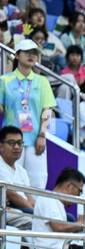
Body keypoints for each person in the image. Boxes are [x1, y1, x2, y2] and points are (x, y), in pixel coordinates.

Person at [2, 38, 56, 191]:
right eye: (27, 52)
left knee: (36, 183)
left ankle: (33, 213)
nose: (31, 55)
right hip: (10, 140)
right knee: (10, 182)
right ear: (17, 55)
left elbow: (47, 109)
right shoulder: (4, 80)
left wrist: (42, 135)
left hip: (35, 140)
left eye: (34, 53)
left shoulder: (42, 81)